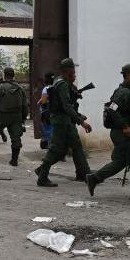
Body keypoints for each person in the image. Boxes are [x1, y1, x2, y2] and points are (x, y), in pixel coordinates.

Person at [87, 63, 130, 201]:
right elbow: (112, 109)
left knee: (121, 161)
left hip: (123, 132)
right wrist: (125, 126)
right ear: (129, 75)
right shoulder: (123, 92)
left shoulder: (127, 90)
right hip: (122, 133)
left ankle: (95, 178)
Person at [34, 58, 92, 187]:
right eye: (73, 71)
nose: (75, 74)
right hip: (61, 121)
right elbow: (66, 106)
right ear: (68, 71)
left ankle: (84, 173)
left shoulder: (61, 82)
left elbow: (65, 103)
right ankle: (42, 176)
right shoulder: (63, 84)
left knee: (76, 146)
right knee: (56, 150)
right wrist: (81, 121)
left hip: (65, 120)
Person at [38, 71, 55, 149]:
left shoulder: (46, 89)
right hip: (55, 113)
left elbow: (44, 101)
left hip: (47, 114)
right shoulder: (56, 87)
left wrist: (39, 102)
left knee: (49, 132)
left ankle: (51, 149)